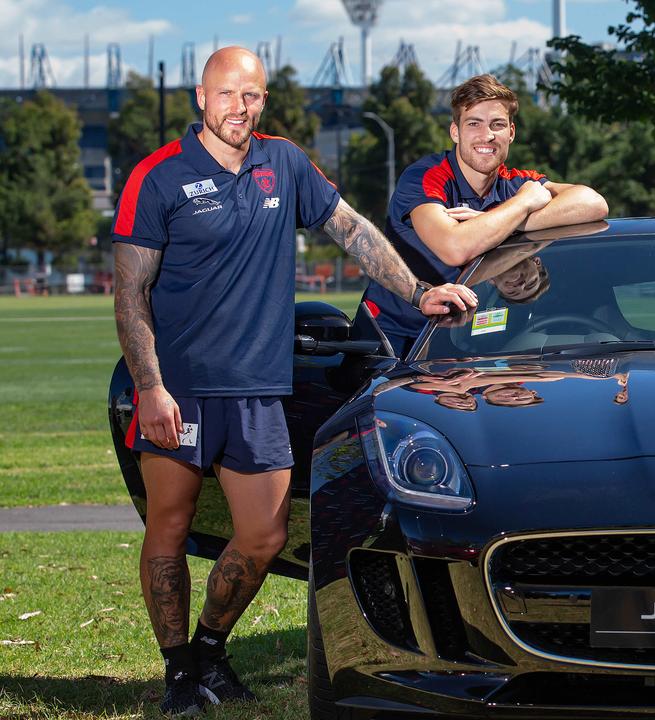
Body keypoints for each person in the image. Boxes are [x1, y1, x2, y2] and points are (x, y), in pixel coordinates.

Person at [111, 47, 476, 715]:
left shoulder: (282, 162)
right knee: (168, 527)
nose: (239, 108)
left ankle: (210, 650)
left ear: (264, 101)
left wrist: (418, 290)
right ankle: (175, 672)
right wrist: (151, 387)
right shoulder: (157, 176)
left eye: (251, 96)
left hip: (258, 388)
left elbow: (352, 231)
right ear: (201, 96)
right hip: (181, 386)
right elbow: (130, 293)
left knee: (265, 536)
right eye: (227, 94)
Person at [361, 74, 608, 355]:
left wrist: (499, 220)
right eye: (474, 123)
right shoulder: (426, 176)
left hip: (460, 338)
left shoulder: (515, 182)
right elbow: (455, 248)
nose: (487, 135)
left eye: (497, 125)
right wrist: (521, 204)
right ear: (455, 131)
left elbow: (593, 203)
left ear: (511, 133)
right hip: (392, 335)